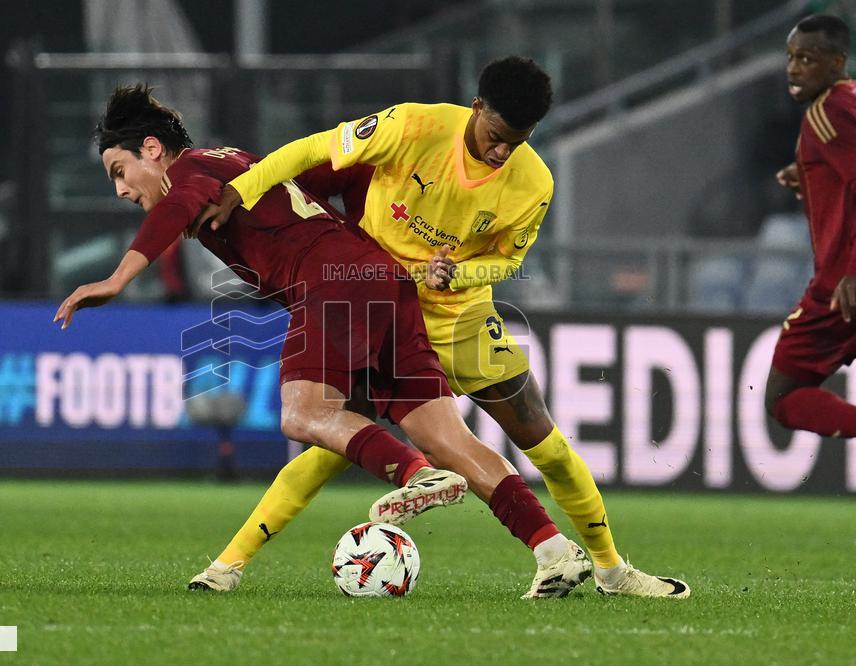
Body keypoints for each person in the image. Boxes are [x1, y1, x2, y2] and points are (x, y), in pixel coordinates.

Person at [55, 84, 592, 598]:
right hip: (383, 280)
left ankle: (414, 474)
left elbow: (176, 207)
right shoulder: (235, 158)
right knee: (449, 437)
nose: (123, 190)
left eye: (120, 172)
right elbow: (339, 172)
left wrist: (117, 279)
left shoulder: (192, 169)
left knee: (302, 413)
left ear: (153, 149)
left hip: (333, 285)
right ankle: (554, 550)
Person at [192, 56, 689, 598]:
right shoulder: (413, 126)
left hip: (459, 316)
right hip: (377, 301)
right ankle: (228, 564)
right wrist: (240, 190)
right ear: (477, 108)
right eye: (496, 135)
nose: (502, 152)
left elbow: (506, 260)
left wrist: (463, 272)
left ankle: (612, 571)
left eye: (516, 142)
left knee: (543, 442)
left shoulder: (533, 183)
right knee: (331, 438)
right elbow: (309, 150)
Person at [768, 15, 856, 436]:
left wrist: (853, 271)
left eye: (807, 58)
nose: (793, 68)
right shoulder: (847, 103)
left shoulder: (828, 110)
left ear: (838, 61)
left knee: (785, 397)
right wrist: (804, 171)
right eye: (790, 57)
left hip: (839, 292)